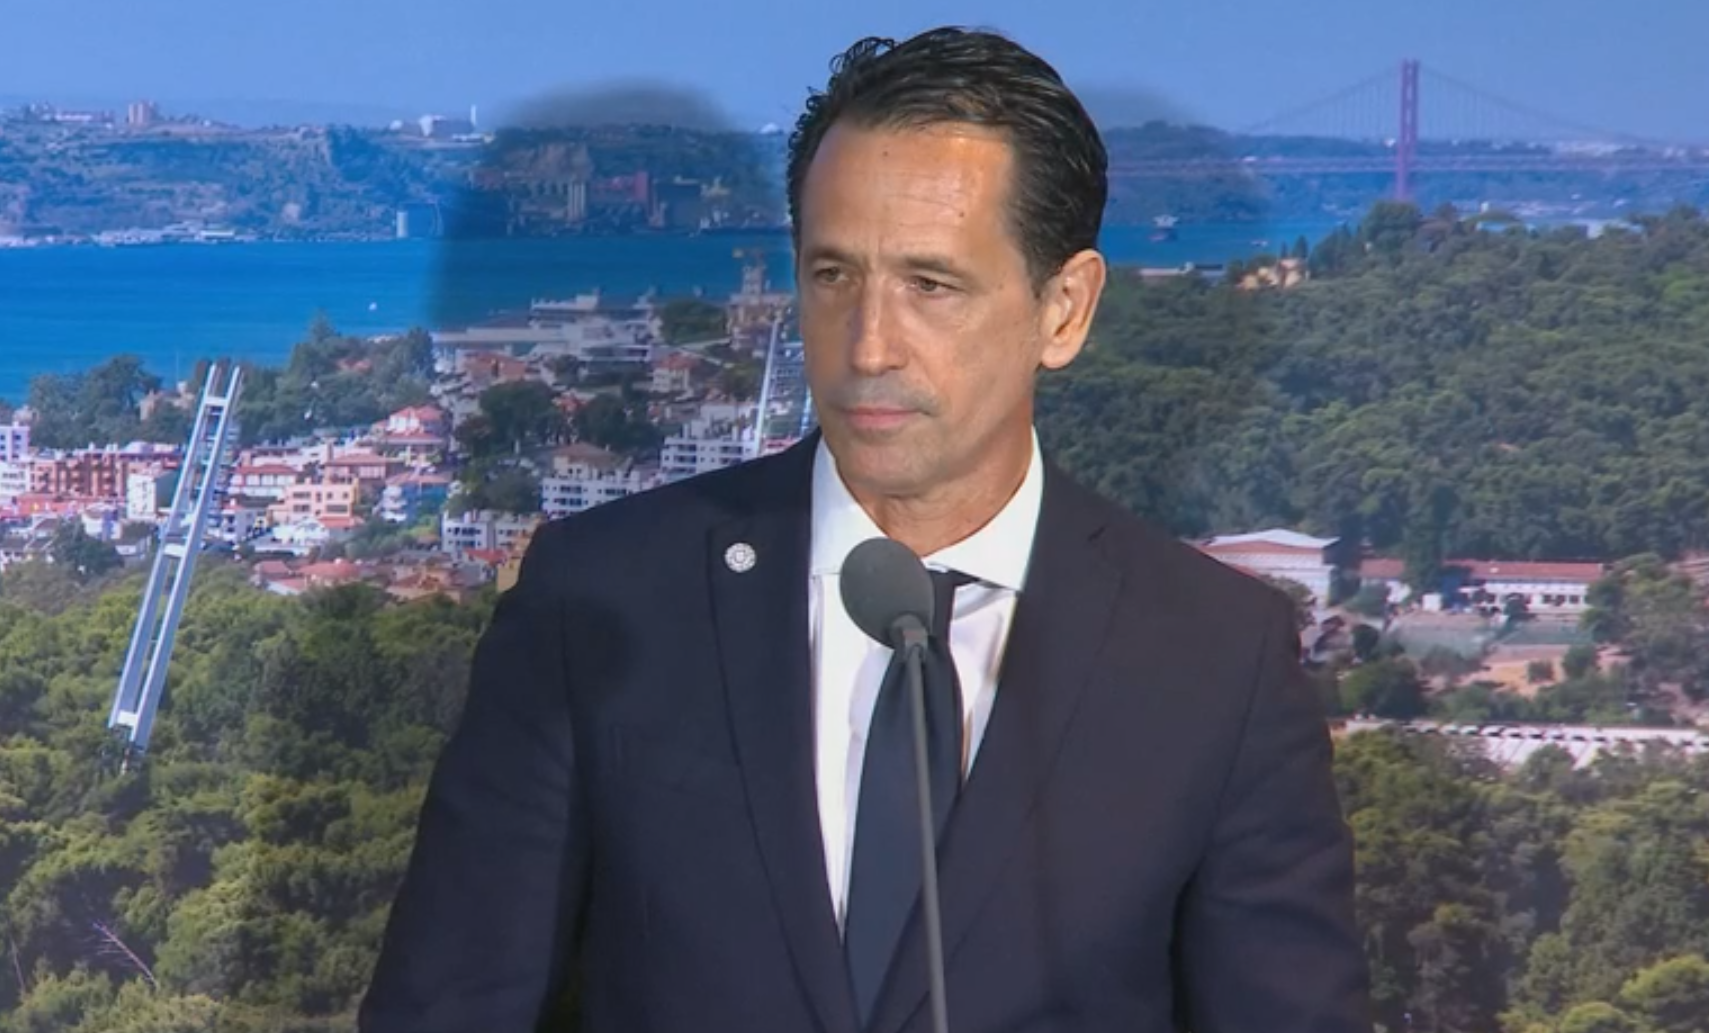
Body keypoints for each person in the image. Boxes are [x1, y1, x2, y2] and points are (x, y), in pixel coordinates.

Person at [358, 26, 1372, 1033]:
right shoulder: (598, 601)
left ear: (1062, 310)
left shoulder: (1216, 661)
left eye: (930, 285)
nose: (869, 345)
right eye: (834, 276)